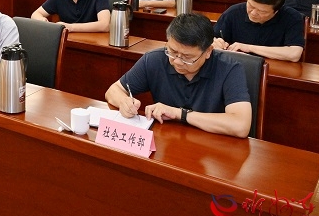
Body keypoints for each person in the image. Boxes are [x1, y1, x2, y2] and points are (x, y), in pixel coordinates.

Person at [105, 14, 252, 138]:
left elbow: (241, 125)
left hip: (212, 146)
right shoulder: (155, 59)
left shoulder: (229, 69)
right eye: (173, 52)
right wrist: (124, 102)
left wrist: (180, 114)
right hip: (167, 140)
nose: (177, 61)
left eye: (187, 57)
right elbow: (114, 90)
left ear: (208, 51)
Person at [213, 0, 304, 62]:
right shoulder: (233, 12)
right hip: (236, 66)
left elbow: (294, 54)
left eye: (262, 11)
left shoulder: (292, 17)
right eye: (250, 6)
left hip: (274, 69)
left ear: (276, 11)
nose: (253, 13)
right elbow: (212, 37)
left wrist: (249, 48)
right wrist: (216, 42)